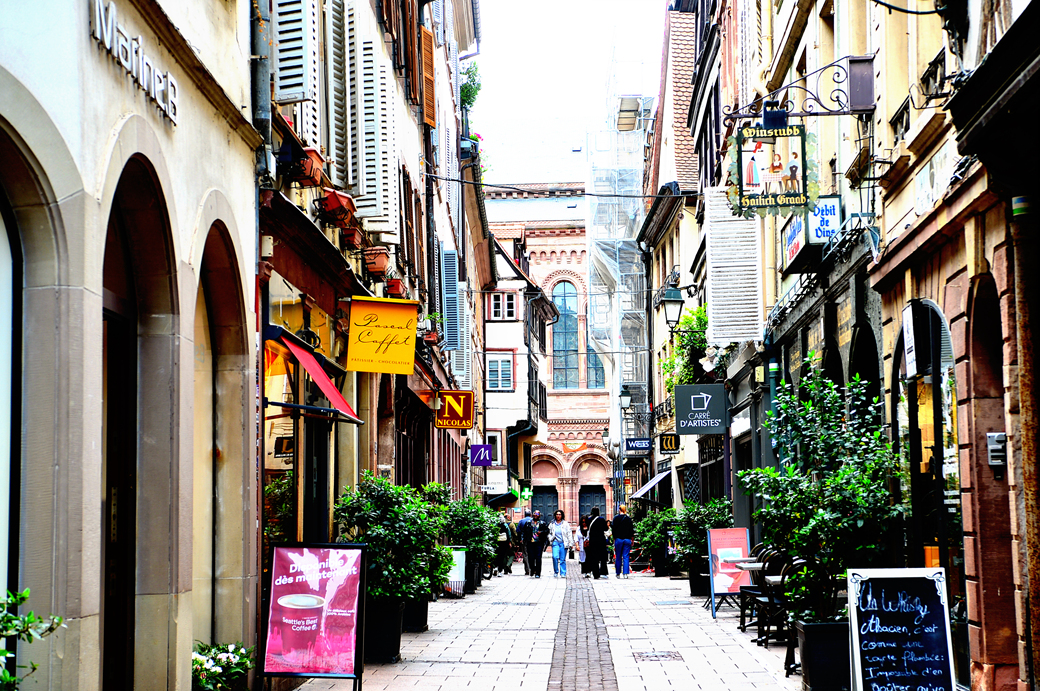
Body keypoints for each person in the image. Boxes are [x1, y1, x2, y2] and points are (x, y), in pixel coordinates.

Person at [521, 510, 549, 578]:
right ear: (532, 514)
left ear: (539, 515)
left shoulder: (542, 523)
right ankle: (533, 569)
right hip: (530, 542)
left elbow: (547, 531)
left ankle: (538, 573)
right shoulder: (528, 523)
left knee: (538, 558)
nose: (536, 515)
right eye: (535, 513)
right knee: (531, 557)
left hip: (539, 543)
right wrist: (522, 539)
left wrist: (541, 532)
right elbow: (523, 531)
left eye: (537, 514)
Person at [611, 504, 635, 579]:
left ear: (619, 510)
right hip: (627, 539)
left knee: (618, 556)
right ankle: (625, 573)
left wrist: (614, 538)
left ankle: (618, 573)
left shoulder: (616, 518)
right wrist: (632, 539)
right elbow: (631, 530)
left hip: (618, 539)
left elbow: (613, 529)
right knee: (626, 556)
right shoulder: (628, 519)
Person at [548, 510, 574, 578]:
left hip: (563, 543)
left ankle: (563, 572)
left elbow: (569, 533)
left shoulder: (565, 524)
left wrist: (571, 543)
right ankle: (556, 571)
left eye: (559, 514)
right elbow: (549, 533)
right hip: (555, 542)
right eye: (557, 514)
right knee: (555, 557)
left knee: (562, 559)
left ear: (562, 515)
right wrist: (550, 538)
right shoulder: (552, 524)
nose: (558, 516)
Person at [586, 507, 609, 579]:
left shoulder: (589, 519)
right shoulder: (601, 519)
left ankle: (595, 574)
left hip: (592, 540)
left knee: (594, 557)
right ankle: (603, 572)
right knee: (603, 557)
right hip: (601, 540)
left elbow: (587, 528)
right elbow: (605, 529)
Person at [517, 509, 532, 575]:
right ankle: (532, 568)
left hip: (524, 540)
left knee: (525, 554)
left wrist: (520, 539)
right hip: (532, 540)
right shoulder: (533, 521)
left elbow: (518, 531)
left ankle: (527, 569)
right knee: (532, 554)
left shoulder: (521, 521)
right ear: (530, 514)